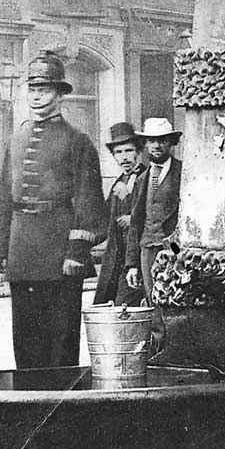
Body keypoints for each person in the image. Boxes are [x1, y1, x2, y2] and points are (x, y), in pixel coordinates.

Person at [0, 53, 108, 369]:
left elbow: (88, 201)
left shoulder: (77, 141)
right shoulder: (15, 140)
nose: (36, 95)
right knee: (25, 343)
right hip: (23, 255)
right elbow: (5, 198)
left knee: (61, 343)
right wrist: (1, 251)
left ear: (60, 94)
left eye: (44, 89)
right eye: (32, 88)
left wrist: (77, 250)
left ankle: (61, 411)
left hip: (60, 256)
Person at [93, 121, 149, 308]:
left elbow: (154, 214)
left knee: (127, 308)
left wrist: (129, 200)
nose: (124, 157)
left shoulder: (148, 176)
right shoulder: (119, 181)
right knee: (110, 308)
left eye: (128, 151)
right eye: (118, 152)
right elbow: (106, 220)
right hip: (118, 257)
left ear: (139, 152)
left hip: (140, 256)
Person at [132, 117, 182, 307]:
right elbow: (135, 223)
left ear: (171, 142)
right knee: (153, 298)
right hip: (147, 247)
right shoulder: (141, 179)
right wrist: (132, 265)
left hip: (174, 247)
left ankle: (173, 337)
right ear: (144, 144)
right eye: (151, 140)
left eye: (162, 140)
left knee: (175, 295)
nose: (157, 145)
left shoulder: (183, 172)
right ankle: (156, 337)